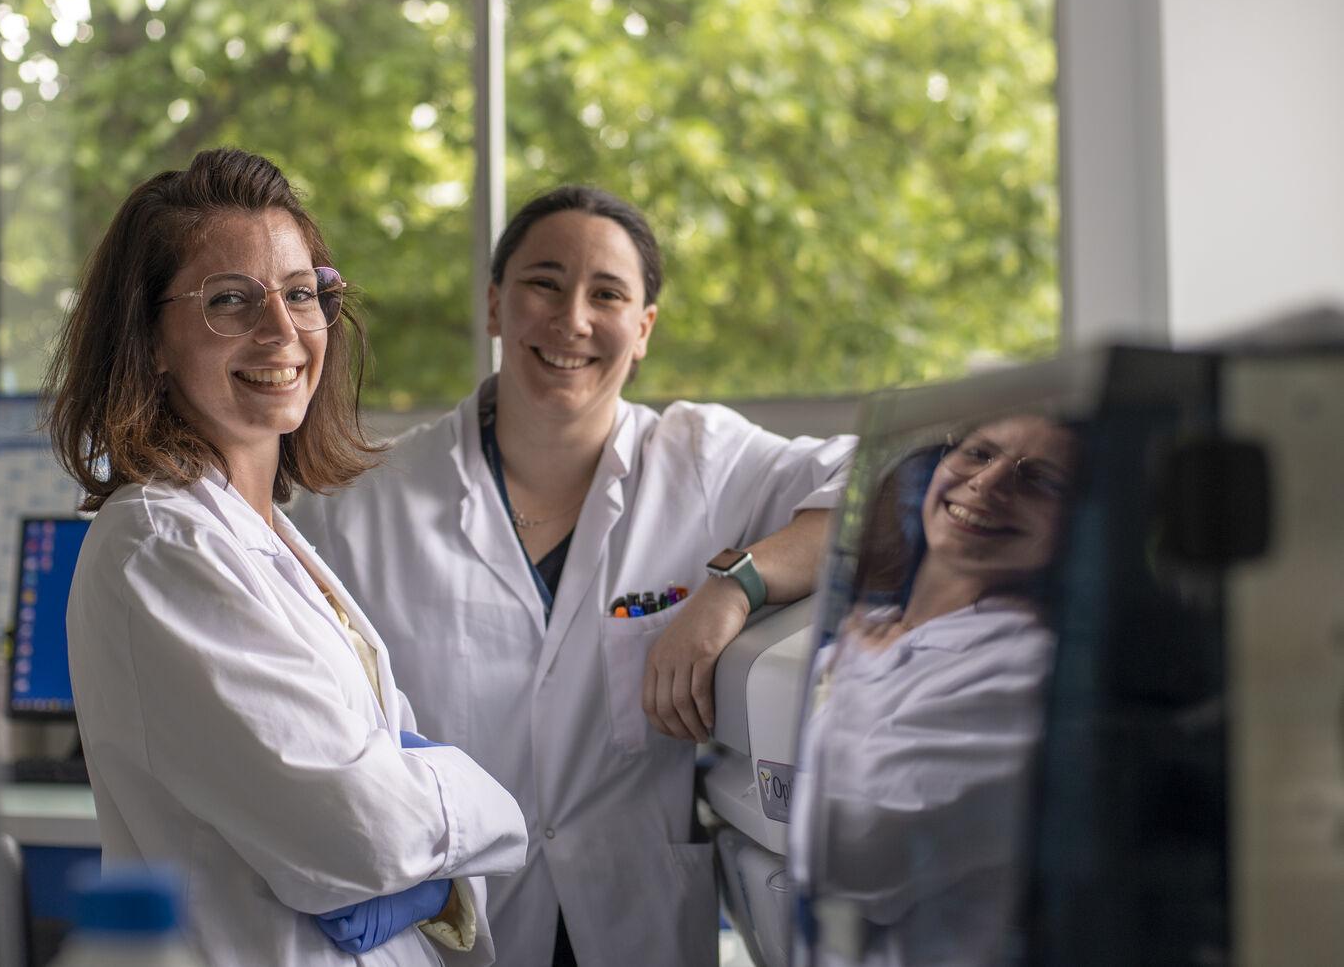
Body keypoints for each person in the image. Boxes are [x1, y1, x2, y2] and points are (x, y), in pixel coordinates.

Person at [290, 185, 856, 965]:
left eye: (608, 294)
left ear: (644, 327)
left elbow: (882, 485)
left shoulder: (701, 462)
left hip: (638, 926)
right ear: (495, 304)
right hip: (453, 931)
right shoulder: (369, 502)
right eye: (544, 283)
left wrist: (738, 584)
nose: (573, 319)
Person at [46, 148, 528, 967]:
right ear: (150, 339)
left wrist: (423, 849)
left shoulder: (266, 534)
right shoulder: (161, 542)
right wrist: (487, 807)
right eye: (230, 300)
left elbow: (377, 804)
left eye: (301, 293)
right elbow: (360, 831)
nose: (283, 330)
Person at [789, 414, 1079, 967]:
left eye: (1040, 479)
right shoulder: (869, 632)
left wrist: (858, 677)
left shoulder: (1026, 667)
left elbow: (855, 853)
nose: (988, 483)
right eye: (979, 453)